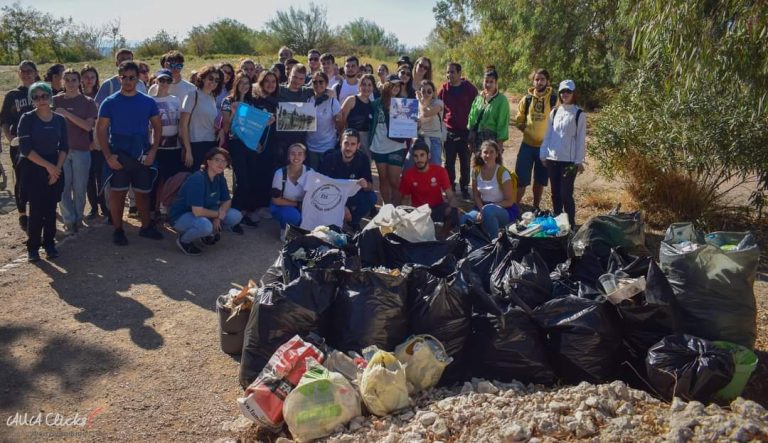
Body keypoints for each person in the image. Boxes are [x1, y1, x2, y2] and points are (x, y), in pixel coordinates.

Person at [96, 60, 164, 245]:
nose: (127, 81)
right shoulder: (109, 102)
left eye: (131, 78)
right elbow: (101, 130)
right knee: (118, 193)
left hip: (141, 151)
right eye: (124, 77)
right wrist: (108, 156)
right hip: (119, 153)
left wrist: (153, 152)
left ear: (138, 79)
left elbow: (158, 127)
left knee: (143, 193)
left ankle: (146, 227)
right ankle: (118, 230)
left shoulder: (148, 101)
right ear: (119, 78)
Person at [16, 82, 68, 262]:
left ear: (50, 96)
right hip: (33, 167)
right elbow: (25, 148)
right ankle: (33, 247)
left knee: (50, 208)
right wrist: (49, 167)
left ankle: (49, 244)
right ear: (32, 100)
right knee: (36, 210)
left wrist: (57, 169)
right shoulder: (27, 118)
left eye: (44, 96)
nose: (41, 100)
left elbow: (64, 147)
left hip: (55, 167)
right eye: (36, 97)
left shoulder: (60, 120)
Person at [169, 147, 243, 255]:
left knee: (236, 216)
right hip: (182, 216)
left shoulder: (219, 177)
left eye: (224, 161)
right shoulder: (197, 179)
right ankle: (184, 240)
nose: (221, 164)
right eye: (217, 160)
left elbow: (227, 201)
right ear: (208, 161)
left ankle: (208, 234)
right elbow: (197, 211)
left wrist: (218, 218)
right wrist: (218, 214)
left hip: (206, 213)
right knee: (205, 226)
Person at [53, 68, 98, 234]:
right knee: (63, 187)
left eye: (74, 80)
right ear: (63, 82)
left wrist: (66, 114)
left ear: (79, 82)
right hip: (61, 151)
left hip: (81, 150)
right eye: (68, 80)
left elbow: (87, 126)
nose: (71, 83)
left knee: (80, 187)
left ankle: (79, 218)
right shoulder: (55, 100)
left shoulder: (88, 102)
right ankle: (69, 220)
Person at [540, 79, 586, 227]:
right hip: (553, 158)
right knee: (555, 194)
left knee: (566, 194)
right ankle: (558, 222)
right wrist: (543, 153)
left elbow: (580, 139)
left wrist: (579, 161)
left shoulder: (579, 114)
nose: (565, 94)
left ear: (574, 93)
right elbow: (548, 134)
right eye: (562, 92)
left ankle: (571, 225)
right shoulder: (554, 112)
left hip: (569, 161)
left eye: (568, 91)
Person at [220, 71, 261, 227]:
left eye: (247, 83)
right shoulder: (228, 101)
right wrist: (233, 112)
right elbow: (226, 127)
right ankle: (234, 214)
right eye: (242, 83)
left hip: (249, 144)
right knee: (241, 179)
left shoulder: (251, 102)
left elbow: (252, 127)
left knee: (250, 178)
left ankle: (243, 213)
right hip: (236, 143)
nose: (245, 86)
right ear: (236, 84)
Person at [1, 60, 38, 230]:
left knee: (40, 177)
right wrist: (10, 138)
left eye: (29, 70)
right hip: (19, 144)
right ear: (18, 73)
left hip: (41, 142)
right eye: (22, 71)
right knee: (21, 179)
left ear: (35, 72)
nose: (26, 74)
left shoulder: (42, 91)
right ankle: (23, 214)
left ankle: (41, 210)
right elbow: (5, 121)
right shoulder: (12, 95)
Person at [397, 138, 459, 237]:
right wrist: (406, 213)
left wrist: (452, 206)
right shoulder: (408, 175)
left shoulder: (440, 171)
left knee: (453, 212)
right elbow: (405, 200)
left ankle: (442, 236)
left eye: (422, 155)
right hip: (418, 211)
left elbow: (450, 194)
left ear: (428, 156)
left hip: (436, 208)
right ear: (413, 158)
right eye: (416, 156)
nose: (419, 159)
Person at [514, 68, 557, 209]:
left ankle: (535, 208)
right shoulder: (526, 99)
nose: (539, 82)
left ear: (547, 81)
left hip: (545, 148)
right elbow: (519, 119)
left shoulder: (554, 99)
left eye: (542, 79)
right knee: (521, 179)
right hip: (527, 145)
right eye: (537, 79)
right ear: (533, 81)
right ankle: (514, 208)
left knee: (540, 180)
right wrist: (525, 129)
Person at [319, 128, 377, 230]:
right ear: (341, 143)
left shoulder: (363, 159)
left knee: (371, 197)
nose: (349, 147)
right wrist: (342, 207)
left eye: (353, 144)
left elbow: (371, 186)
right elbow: (321, 186)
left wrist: (366, 185)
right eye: (346, 143)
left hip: (351, 195)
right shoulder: (330, 158)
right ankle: (334, 220)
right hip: (332, 196)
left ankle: (353, 221)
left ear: (358, 146)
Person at [461, 140, 519, 237]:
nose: (488, 155)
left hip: (504, 209)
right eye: (485, 152)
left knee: (489, 212)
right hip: (482, 207)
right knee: (464, 220)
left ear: (497, 154)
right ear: (480, 154)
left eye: (491, 152)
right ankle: (473, 245)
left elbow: (510, 201)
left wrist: (487, 208)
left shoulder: (502, 173)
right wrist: (482, 209)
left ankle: (494, 243)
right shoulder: (476, 171)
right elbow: (476, 195)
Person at [438, 62, 478, 200]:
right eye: (447, 72)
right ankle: (451, 187)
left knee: (465, 162)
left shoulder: (469, 88)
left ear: (460, 73)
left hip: (465, 132)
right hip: (449, 131)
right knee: (449, 162)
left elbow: (477, 106)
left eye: (452, 72)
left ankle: (465, 187)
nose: (449, 75)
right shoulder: (444, 89)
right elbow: (438, 107)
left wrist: (474, 129)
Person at [150, 69, 184, 218]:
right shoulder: (150, 100)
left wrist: (182, 145)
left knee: (170, 179)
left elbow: (179, 123)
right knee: (155, 179)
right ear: (156, 81)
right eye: (161, 80)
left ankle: (166, 208)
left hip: (173, 146)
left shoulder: (175, 100)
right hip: (156, 146)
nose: (164, 84)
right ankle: (152, 209)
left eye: (167, 81)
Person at [369, 77, 408, 204]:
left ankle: (396, 207)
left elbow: (409, 126)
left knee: (395, 181)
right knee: (383, 179)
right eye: (393, 85)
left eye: (399, 86)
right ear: (386, 86)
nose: (396, 88)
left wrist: (414, 123)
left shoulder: (403, 104)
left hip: (396, 146)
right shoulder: (376, 104)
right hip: (378, 146)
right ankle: (387, 207)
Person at [250, 70, 281, 222]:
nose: (270, 84)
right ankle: (252, 207)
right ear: (261, 83)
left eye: (273, 81)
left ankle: (263, 206)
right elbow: (249, 122)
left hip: (273, 145)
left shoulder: (277, 101)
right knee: (256, 174)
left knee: (268, 174)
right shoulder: (254, 99)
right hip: (257, 144)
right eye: (267, 81)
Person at [179, 65, 223, 170]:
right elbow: (183, 125)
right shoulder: (192, 95)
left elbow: (210, 122)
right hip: (195, 145)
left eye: (217, 80)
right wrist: (188, 151)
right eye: (210, 78)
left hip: (211, 145)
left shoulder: (213, 98)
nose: (213, 82)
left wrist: (220, 130)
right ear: (202, 78)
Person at [81, 64, 108, 219]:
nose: (89, 80)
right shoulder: (76, 96)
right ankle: (93, 208)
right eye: (85, 77)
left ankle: (104, 206)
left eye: (92, 77)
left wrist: (96, 141)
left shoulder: (101, 95)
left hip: (99, 140)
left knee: (100, 175)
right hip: (82, 141)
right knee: (88, 177)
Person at [270, 143, 310, 241]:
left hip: (303, 207)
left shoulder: (310, 173)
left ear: (304, 157)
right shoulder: (280, 173)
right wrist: (297, 205)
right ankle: (285, 229)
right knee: (292, 216)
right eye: (293, 153)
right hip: (282, 205)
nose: (296, 157)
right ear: (288, 156)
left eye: (300, 154)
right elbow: (276, 200)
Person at [275, 64, 314, 166]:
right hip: (281, 141)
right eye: (295, 77)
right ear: (289, 75)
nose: (297, 81)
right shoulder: (278, 90)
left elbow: (327, 92)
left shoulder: (307, 92)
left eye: (301, 79)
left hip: (300, 140)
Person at [306, 72, 342, 169]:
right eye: (315, 82)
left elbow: (339, 123)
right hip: (311, 146)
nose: (318, 84)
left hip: (328, 146)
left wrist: (338, 119)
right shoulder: (308, 100)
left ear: (326, 83)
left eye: (321, 82)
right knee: (313, 176)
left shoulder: (332, 101)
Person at [467, 65, 509, 148]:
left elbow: (502, 124)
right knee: (478, 161)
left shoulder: (502, 100)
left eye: (491, 82)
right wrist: (471, 137)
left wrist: (500, 145)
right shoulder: (479, 98)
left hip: (492, 140)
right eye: (486, 81)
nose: (488, 84)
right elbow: (472, 117)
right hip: (477, 139)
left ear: (496, 83)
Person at [340, 74, 375, 158]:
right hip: (350, 139)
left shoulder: (372, 105)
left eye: (369, 85)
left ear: (373, 87)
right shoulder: (351, 100)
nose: (366, 88)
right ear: (359, 86)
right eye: (364, 84)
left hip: (365, 141)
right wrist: (342, 138)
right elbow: (341, 120)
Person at [415, 79, 445, 165]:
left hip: (434, 139)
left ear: (433, 92)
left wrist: (419, 101)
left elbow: (426, 113)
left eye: (429, 91)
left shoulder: (438, 103)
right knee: (412, 166)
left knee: (434, 166)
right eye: (423, 91)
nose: (426, 94)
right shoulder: (415, 105)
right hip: (420, 138)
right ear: (420, 92)